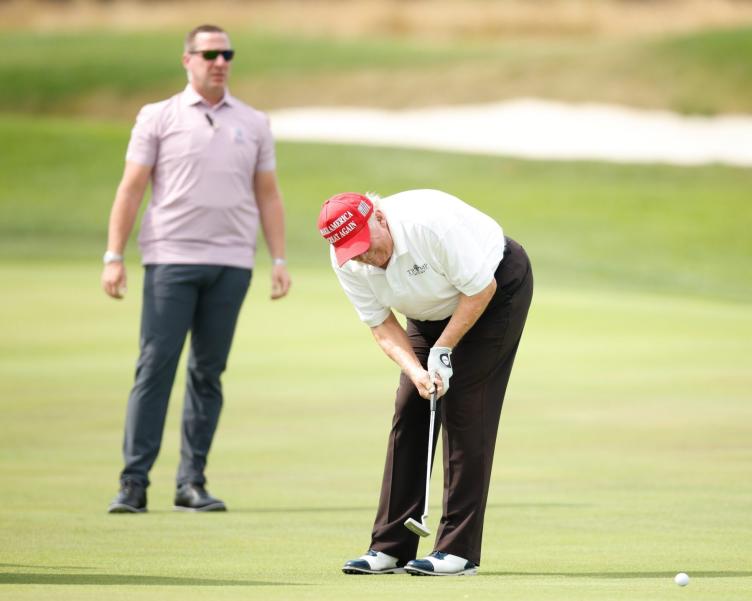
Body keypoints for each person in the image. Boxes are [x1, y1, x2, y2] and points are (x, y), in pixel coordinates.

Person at [101, 24, 291, 513]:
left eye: (226, 53)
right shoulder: (158, 116)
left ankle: (192, 483)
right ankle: (133, 482)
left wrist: (280, 258)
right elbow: (131, 187)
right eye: (209, 53)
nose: (219, 61)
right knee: (155, 367)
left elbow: (268, 194)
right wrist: (114, 255)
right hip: (171, 258)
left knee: (208, 372)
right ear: (188, 59)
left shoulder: (254, 121)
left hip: (231, 263)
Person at [317, 189, 533, 576]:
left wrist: (444, 348)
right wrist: (417, 371)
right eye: (353, 251)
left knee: (466, 405)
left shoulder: (429, 226)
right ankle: (390, 547)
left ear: (380, 218)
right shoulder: (346, 260)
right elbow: (381, 325)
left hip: (493, 289)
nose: (364, 256)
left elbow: (481, 290)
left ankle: (457, 550)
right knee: (411, 405)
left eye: (366, 244)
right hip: (428, 306)